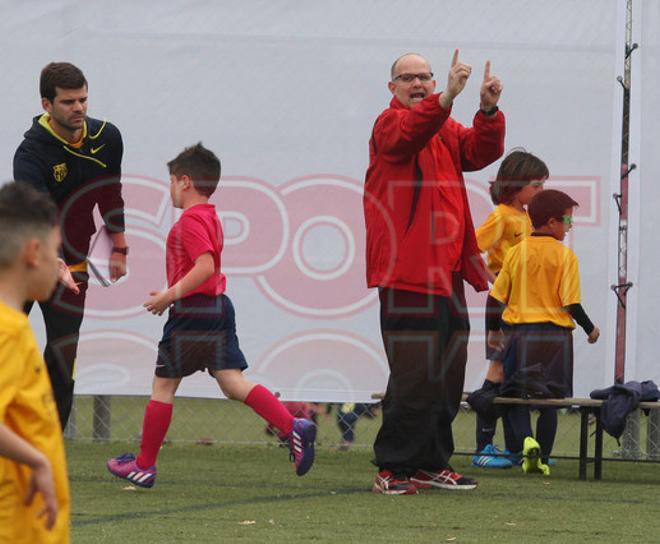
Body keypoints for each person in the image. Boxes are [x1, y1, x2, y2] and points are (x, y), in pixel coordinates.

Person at [106, 143, 316, 487]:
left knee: (163, 385)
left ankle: (144, 465)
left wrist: (169, 296)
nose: (170, 189)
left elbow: (204, 267)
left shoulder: (190, 220)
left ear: (185, 181)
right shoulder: (211, 216)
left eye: (171, 181)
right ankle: (293, 426)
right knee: (232, 383)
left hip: (192, 312)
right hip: (218, 308)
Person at [363, 49, 505, 494]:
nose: (419, 83)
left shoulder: (441, 125)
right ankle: (392, 469)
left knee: (447, 374)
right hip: (407, 274)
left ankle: (429, 462)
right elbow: (408, 133)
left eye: (424, 76)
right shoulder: (390, 124)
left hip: (445, 274)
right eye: (409, 78)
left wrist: (487, 109)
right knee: (414, 375)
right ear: (392, 88)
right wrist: (446, 98)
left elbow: (478, 151)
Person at [13, 62, 128, 429]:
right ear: (46, 104)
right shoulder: (30, 155)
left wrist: (120, 247)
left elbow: (109, 193)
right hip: (23, 263)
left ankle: (48, 445)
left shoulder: (107, 138)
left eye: (83, 99)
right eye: (68, 102)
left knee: (63, 359)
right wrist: (55, 262)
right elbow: (40, 216)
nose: (78, 108)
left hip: (73, 267)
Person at [486, 189, 600, 475]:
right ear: (551, 222)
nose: (569, 226)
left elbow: (495, 298)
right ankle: (544, 456)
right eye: (567, 220)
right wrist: (590, 329)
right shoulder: (566, 257)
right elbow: (571, 303)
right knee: (551, 400)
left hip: (520, 335)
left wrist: (493, 330)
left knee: (516, 395)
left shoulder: (514, 254)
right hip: (556, 339)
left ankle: (526, 443)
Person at [0, 182, 71, 543]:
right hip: (16, 527)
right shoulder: (7, 331)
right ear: (32, 253)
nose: (59, 264)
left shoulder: (14, 323)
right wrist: (38, 461)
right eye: (55, 252)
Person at [471, 150, 548, 469]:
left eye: (543, 184)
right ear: (515, 186)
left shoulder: (528, 217)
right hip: (505, 304)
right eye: (536, 185)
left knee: (514, 374)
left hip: (525, 306)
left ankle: (515, 447)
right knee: (498, 371)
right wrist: (496, 281)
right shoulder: (502, 215)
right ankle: (483, 447)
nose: (541, 191)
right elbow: (473, 249)